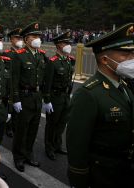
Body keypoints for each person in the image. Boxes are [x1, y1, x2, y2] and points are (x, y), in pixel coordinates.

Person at [67, 23, 134, 188]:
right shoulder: (89, 93)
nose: (132, 58)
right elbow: (77, 144)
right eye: (126, 54)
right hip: (102, 173)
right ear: (105, 59)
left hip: (124, 169)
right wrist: (79, 178)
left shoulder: (124, 86)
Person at [12, 22, 49, 172]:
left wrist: (46, 98)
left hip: (37, 97)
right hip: (24, 96)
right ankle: (18, 157)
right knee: (22, 129)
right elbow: (14, 80)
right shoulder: (19, 56)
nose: (37, 39)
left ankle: (28, 153)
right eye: (34, 36)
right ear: (26, 39)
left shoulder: (41, 55)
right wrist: (15, 99)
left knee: (33, 128)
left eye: (38, 36)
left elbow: (43, 78)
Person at [43, 31, 75, 160]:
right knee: (52, 123)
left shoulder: (68, 60)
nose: (68, 45)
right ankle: (49, 147)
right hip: (55, 97)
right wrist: (47, 100)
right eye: (65, 43)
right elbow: (47, 83)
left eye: (69, 43)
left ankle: (57, 145)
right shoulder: (53, 62)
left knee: (62, 123)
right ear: (58, 45)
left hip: (66, 96)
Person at [2, 27, 24, 138]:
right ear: (11, 39)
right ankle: (9, 127)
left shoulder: (24, 53)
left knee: (19, 108)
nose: (19, 40)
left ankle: (17, 125)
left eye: (21, 38)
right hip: (10, 85)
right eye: (17, 38)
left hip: (21, 85)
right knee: (10, 106)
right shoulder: (6, 54)